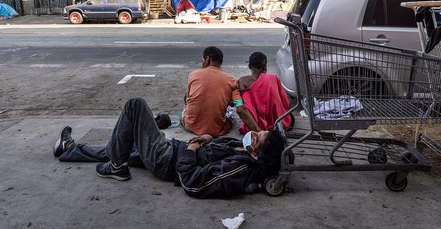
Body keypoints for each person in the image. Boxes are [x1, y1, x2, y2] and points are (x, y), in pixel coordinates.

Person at [53, 97, 286, 198]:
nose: (252, 134)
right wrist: (208, 138)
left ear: (255, 154)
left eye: (256, 138)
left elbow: (194, 184)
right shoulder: (243, 151)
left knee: (135, 105)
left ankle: (116, 166)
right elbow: (219, 147)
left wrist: (190, 151)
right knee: (123, 145)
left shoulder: (240, 168)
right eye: (258, 131)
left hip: (167, 161)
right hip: (173, 150)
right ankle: (70, 148)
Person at [183, 46, 258, 136]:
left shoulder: (193, 75)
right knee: (231, 117)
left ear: (207, 59)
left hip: (191, 126)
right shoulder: (232, 80)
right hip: (217, 130)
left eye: (202, 60)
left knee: (185, 109)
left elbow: (189, 98)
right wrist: (259, 131)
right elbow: (240, 109)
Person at [237, 52, 292, 133]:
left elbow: (244, 104)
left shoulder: (243, 81)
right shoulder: (273, 78)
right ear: (265, 66)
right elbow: (286, 103)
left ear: (249, 66)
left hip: (256, 125)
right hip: (278, 123)